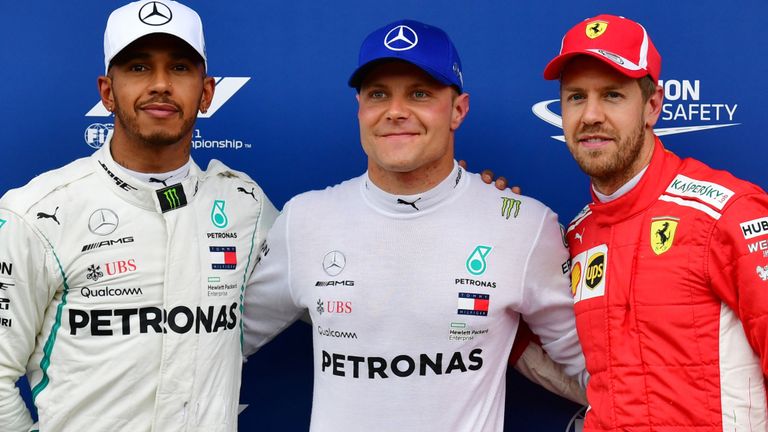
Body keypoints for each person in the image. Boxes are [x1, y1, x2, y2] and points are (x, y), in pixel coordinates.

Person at [243, 19, 586, 431]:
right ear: (360, 108)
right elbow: (213, 344)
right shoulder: (305, 219)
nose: (395, 111)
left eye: (420, 93)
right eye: (378, 94)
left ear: (458, 109)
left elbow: (597, 370)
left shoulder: (524, 224)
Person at [0, 1, 276, 430]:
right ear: (107, 92)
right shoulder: (36, 213)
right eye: (139, 67)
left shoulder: (246, 206)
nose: (161, 84)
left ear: (206, 93)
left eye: (180, 68)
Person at [544, 13, 768, 431]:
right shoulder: (577, 236)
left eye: (612, 95)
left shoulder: (727, 213)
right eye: (575, 97)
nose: (590, 115)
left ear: (652, 106)